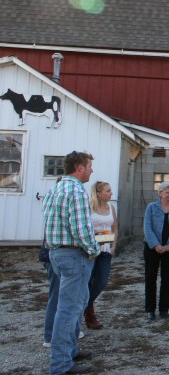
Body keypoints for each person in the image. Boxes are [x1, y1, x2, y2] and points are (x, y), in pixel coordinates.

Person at [42, 151, 99, 375]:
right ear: (79, 167)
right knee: (69, 309)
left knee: (75, 304)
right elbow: (81, 229)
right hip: (73, 255)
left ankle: (70, 350)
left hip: (57, 252)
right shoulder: (76, 191)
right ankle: (60, 364)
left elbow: (49, 221)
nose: (92, 170)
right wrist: (94, 250)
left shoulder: (55, 189)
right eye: (89, 166)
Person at [144, 182, 169, 319]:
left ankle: (164, 309)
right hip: (152, 248)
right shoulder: (151, 207)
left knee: (167, 279)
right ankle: (150, 309)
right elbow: (147, 227)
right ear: (160, 193)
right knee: (151, 278)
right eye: (167, 192)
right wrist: (156, 245)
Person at [84, 181, 117, 330]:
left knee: (102, 280)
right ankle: (89, 313)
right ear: (99, 193)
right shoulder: (89, 207)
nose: (111, 193)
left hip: (105, 250)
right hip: (91, 249)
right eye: (108, 191)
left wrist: (113, 246)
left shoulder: (111, 207)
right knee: (87, 281)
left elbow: (115, 228)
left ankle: (85, 305)